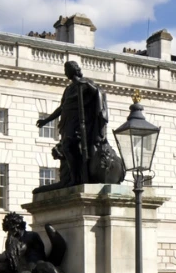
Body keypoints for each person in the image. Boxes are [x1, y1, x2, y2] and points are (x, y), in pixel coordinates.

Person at [35, 60, 124, 188]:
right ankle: (73, 177)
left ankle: (75, 178)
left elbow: (99, 94)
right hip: (67, 122)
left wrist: (87, 85)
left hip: (80, 123)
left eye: (67, 70)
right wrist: (46, 120)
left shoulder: (85, 83)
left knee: (68, 147)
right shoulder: (68, 89)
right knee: (68, 148)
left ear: (73, 70)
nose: (65, 73)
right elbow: (62, 107)